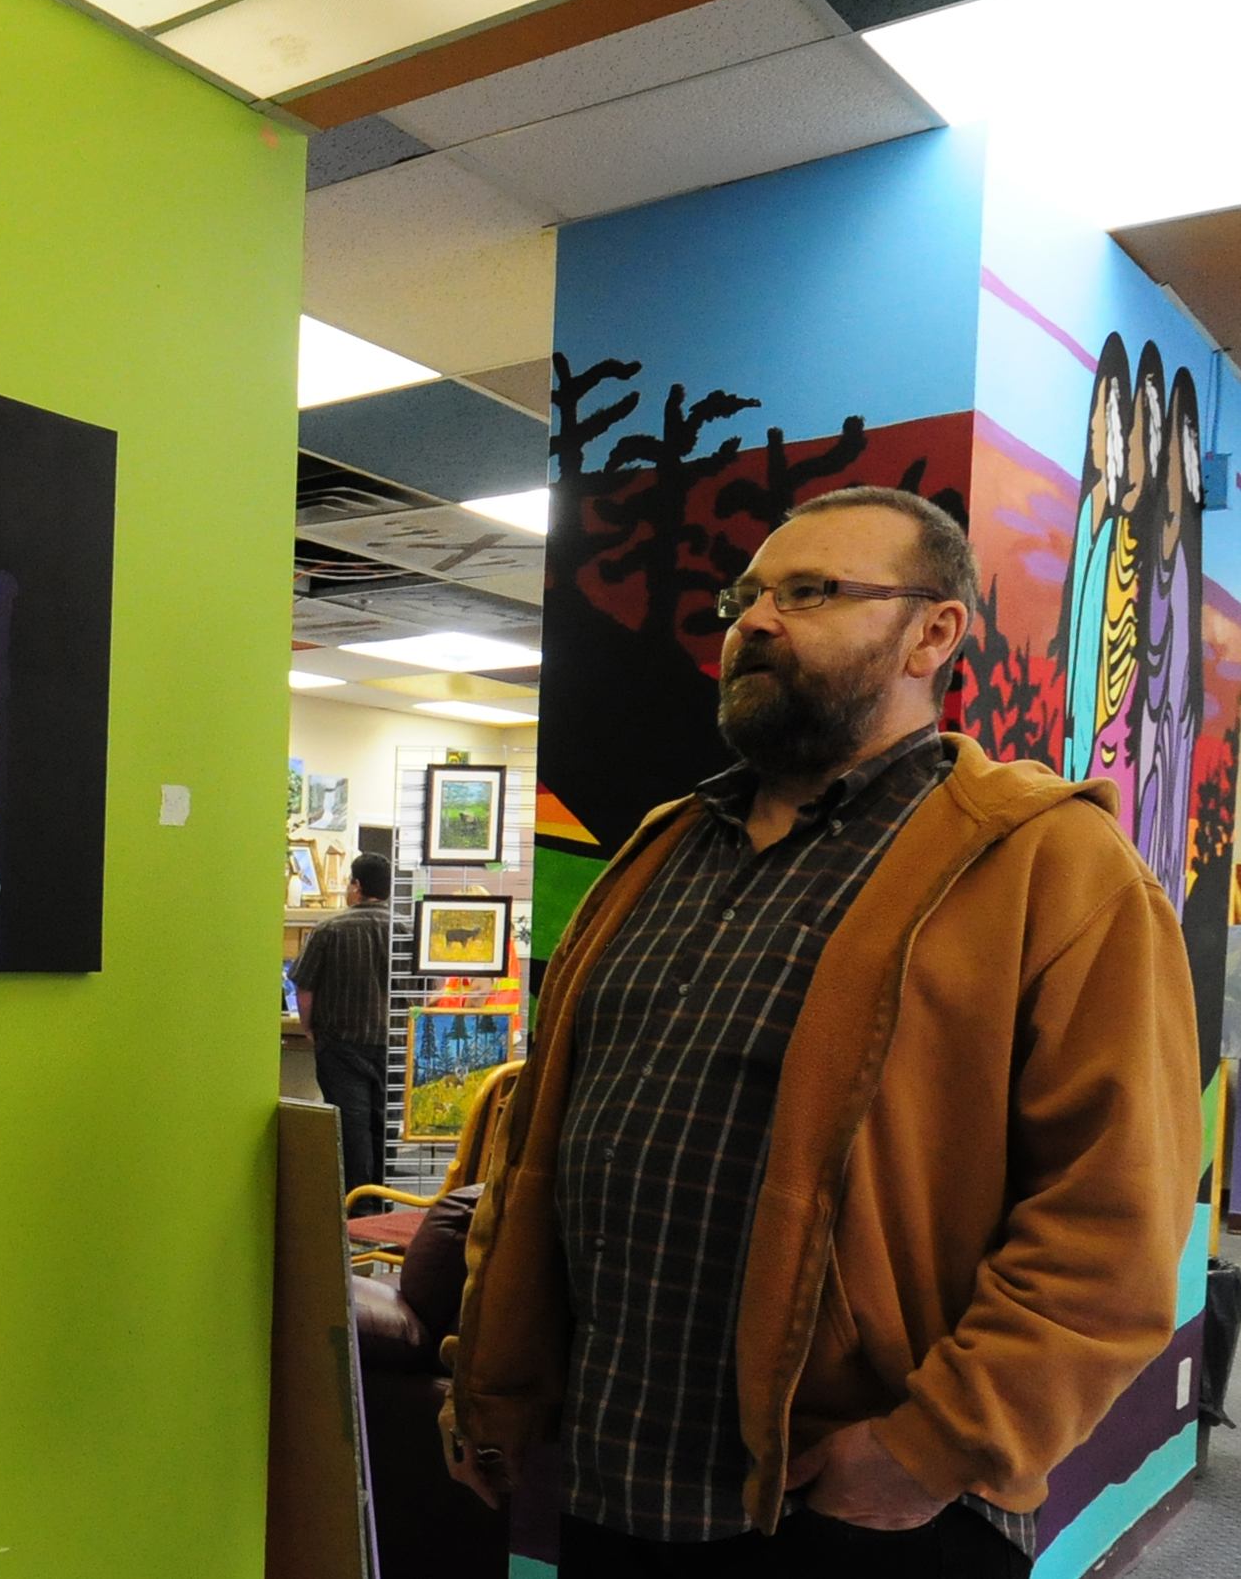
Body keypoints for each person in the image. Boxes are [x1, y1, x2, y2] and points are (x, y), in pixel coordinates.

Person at [440, 487, 1202, 1578]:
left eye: (811, 592)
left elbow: (1112, 1223)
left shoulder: (1054, 870)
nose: (754, 621)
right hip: (615, 1481)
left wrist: (936, 1445)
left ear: (931, 633)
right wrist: (497, 1388)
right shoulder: (661, 851)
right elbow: (536, 1150)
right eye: (746, 596)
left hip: (854, 1510)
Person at [294, 849, 393, 1200]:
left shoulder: (329, 930)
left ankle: (356, 1206)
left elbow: (304, 986)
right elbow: (429, 987)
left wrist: (308, 1027)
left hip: (340, 1044)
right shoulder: (406, 932)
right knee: (384, 1123)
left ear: (357, 886)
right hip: (392, 1045)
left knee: (352, 1126)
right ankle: (383, 1201)